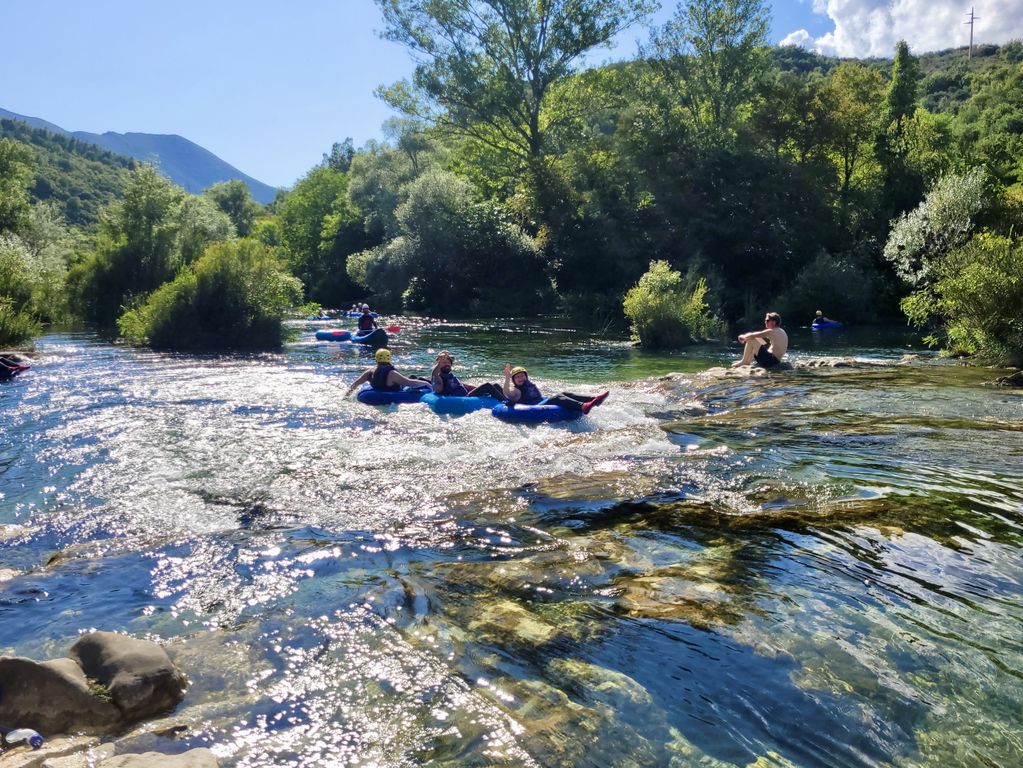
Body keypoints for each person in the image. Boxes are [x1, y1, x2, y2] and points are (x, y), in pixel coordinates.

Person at [502, 364, 609, 414]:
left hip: (541, 402)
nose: (521, 378)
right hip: (534, 407)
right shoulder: (516, 391)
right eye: (517, 377)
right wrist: (507, 378)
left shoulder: (528, 385)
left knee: (564, 393)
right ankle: (583, 407)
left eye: (522, 376)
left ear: (526, 376)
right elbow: (506, 392)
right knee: (557, 397)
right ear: (514, 380)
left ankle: (593, 399)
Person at [345, 348, 427, 397]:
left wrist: (346, 396)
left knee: (411, 377)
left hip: (375, 394)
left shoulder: (369, 372)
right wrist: (427, 384)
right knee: (413, 377)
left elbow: (355, 384)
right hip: (394, 395)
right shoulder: (392, 373)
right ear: (389, 358)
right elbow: (409, 383)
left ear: (376, 358)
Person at [430, 351, 505, 399]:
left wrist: (478, 389)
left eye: (448, 363)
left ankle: (509, 399)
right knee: (487, 386)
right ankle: (505, 403)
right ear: (439, 365)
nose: (447, 364)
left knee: (495, 385)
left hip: (466, 395)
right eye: (444, 363)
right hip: (464, 399)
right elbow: (434, 375)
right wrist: (439, 362)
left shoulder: (450, 376)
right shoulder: (438, 378)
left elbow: (463, 386)